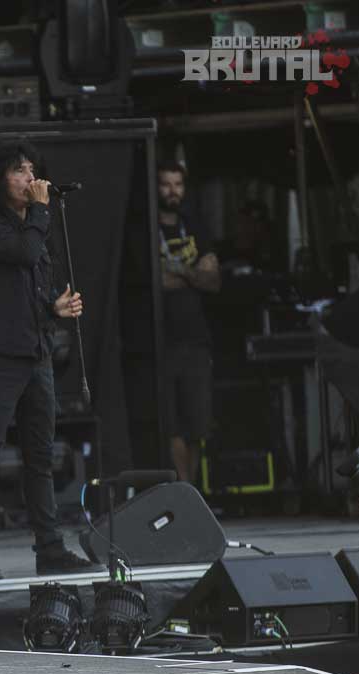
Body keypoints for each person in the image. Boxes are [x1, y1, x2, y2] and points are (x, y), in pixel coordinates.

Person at [0, 139, 95, 582]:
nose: (30, 178)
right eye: (19, 170)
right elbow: (24, 252)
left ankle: (50, 548)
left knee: (41, 456)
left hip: (36, 352)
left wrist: (54, 308)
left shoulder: (32, 228)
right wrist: (39, 212)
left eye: (32, 170)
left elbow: (29, 285)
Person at [157, 162, 220, 485]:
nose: (172, 191)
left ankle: (192, 491)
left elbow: (214, 281)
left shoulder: (195, 226)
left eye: (178, 184)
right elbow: (156, 281)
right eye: (166, 184)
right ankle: (183, 489)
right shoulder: (148, 228)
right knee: (172, 425)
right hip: (163, 341)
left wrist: (178, 270)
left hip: (196, 339)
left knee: (198, 425)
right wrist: (194, 272)